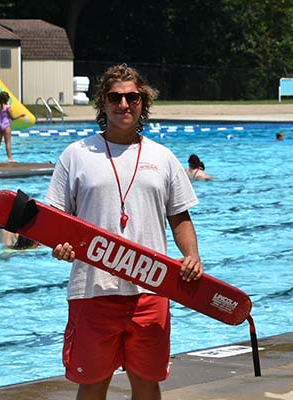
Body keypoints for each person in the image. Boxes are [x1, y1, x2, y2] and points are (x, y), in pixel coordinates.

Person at [46, 64, 203, 400]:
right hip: (92, 290)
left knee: (147, 382)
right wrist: (59, 245)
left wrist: (192, 256)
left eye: (132, 97)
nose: (124, 104)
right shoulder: (76, 155)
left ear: (143, 103)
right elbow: (55, 218)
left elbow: (180, 216)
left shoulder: (162, 157)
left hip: (151, 288)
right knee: (92, 383)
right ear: (102, 103)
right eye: (115, 97)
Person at [0, 92, 25, 163]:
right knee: (8, 142)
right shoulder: (7, 107)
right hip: (5, 126)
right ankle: (10, 158)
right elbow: (12, 118)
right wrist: (20, 116)